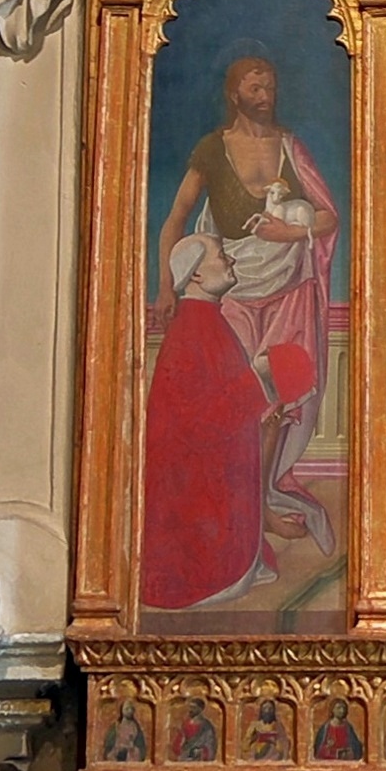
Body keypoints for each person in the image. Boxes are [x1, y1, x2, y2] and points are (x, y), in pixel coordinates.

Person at [153, 54, 340, 547]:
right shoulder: (213, 149)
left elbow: (327, 217)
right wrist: (164, 286)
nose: (266, 95)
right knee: (236, 401)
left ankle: (259, 507)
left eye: (271, 86)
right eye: (255, 88)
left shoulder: (290, 147)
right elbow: (176, 218)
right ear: (235, 94)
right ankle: (233, 503)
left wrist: (291, 230)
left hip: (288, 288)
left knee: (276, 402)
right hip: (232, 287)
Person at [136, 236, 274, 613]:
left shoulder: (206, 321)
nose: (229, 260)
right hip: (194, 497)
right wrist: (259, 378)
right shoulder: (190, 332)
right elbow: (197, 424)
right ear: (196, 273)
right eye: (220, 255)